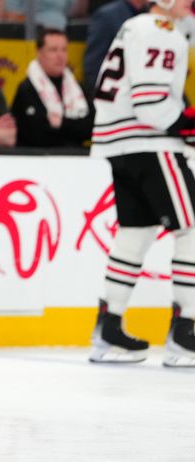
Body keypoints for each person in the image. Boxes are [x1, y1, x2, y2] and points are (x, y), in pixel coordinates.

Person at [89, 0, 195, 367]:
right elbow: (151, 103)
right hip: (151, 143)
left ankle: (109, 328)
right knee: (193, 228)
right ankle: (186, 332)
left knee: (135, 231)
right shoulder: (161, 30)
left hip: (121, 144)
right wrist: (186, 123)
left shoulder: (137, 26)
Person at [11, 29, 94, 147]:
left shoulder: (78, 88)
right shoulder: (27, 89)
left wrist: (61, 123)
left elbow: (91, 127)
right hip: (37, 159)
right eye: (53, 50)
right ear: (39, 52)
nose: (60, 56)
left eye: (64, 50)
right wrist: (73, 128)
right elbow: (36, 134)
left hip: (76, 158)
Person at [83, 0, 148, 95]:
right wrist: (107, 97)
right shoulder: (107, 16)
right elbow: (94, 64)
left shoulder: (151, 16)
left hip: (142, 93)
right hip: (114, 96)